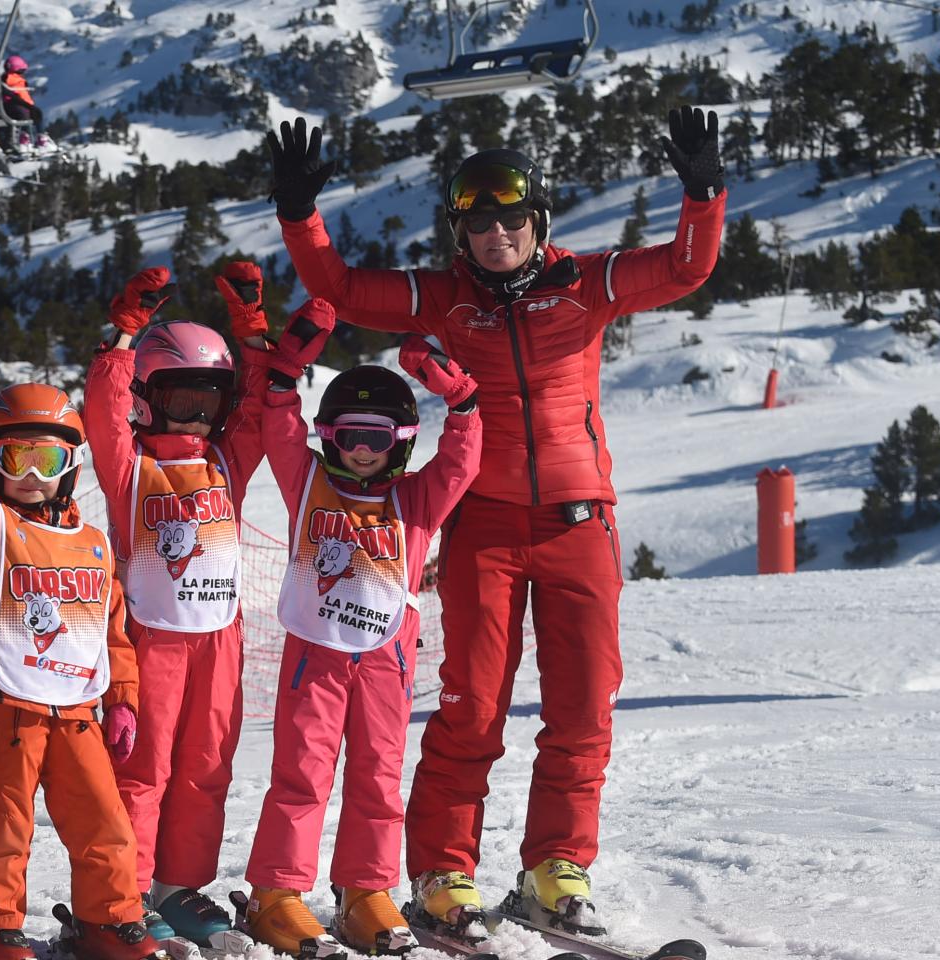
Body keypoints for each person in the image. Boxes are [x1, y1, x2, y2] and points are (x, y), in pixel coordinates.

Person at [266, 107, 728, 932]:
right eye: (478, 222)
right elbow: (338, 286)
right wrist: (301, 216)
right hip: (483, 523)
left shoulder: (586, 284)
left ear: (538, 221)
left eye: (512, 218)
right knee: (472, 706)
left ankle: (559, 868)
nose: (497, 234)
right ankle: (444, 871)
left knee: (584, 706)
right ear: (460, 232)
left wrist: (702, 191)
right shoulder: (441, 299)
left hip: (580, 522)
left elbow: (687, 270)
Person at [235, 302, 482, 957]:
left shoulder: (414, 501)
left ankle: (365, 891)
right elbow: (279, 431)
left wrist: (462, 403)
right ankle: (277, 895)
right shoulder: (309, 481)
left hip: (385, 661)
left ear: (401, 442)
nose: (364, 452)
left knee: (378, 775)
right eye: (350, 436)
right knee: (303, 775)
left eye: (377, 438)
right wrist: (286, 372)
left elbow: (461, 465)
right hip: (314, 656)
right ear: (329, 437)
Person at [0, 326, 158, 960]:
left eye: (47, 462)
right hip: (3, 709)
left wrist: (126, 701)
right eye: (14, 460)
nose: (31, 476)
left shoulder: (92, 541)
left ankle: (107, 919)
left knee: (105, 825)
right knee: (2, 828)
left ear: (71, 467)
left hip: (77, 711)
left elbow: (111, 633)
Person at [82, 265, 268, 948]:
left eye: (207, 403)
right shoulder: (131, 467)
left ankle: (177, 884)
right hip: (151, 637)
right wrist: (121, 337)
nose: (196, 416)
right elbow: (101, 417)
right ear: (149, 400)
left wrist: (254, 334)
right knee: (145, 769)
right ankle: (125, 890)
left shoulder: (227, 462)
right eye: (181, 401)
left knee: (206, 766)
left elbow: (259, 410)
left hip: (218, 636)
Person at [0, 54, 47, 150]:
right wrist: (29, 105)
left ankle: (28, 139)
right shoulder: (14, 79)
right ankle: (38, 139)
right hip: (16, 105)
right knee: (33, 114)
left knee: (29, 114)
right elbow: (20, 94)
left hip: (10, 105)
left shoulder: (7, 78)